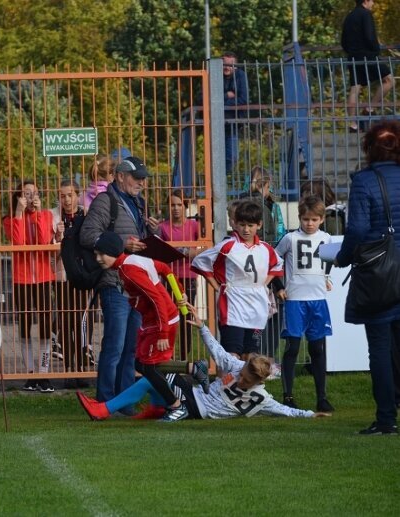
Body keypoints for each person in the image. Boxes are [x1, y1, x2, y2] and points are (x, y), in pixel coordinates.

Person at [76, 303, 332, 421]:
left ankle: (104, 410)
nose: (240, 378)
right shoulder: (236, 367)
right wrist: (202, 327)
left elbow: (286, 411)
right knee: (153, 376)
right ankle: (157, 407)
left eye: (245, 379)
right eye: (242, 373)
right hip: (195, 394)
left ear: (258, 382)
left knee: (151, 378)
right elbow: (219, 353)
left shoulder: (262, 399)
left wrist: (311, 414)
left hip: (197, 408)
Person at [92, 231, 210, 422]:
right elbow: (164, 268)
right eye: (95, 254)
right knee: (141, 363)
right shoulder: (131, 261)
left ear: (113, 251)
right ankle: (193, 369)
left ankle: (176, 406)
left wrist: (163, 332)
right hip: (154, 320)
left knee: (149, 367)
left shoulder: (128, 271)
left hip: (161, 322)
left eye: (101, 254)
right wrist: (179, 293)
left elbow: (156, 300)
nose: (97, 259)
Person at [79, 156, 160, 412]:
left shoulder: (138, 204)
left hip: (136, 284)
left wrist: (151, 234)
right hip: (114, 281)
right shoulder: (105, 201)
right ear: (121, 176)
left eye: (143, 179)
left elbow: (138, 239)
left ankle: (124, 401)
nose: (141, 184)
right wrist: (122, 244)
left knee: (130, 346)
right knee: (114, 344)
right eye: (137, 178)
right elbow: (88, 235)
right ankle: (105, 399)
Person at [335, 120, 400, 435]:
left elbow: (357, 229)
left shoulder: (364, 181)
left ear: (369, 148)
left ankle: (387, 418)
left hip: (380, 274)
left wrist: (343, 257)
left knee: (380, 348)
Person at [191, 200, 284, 359]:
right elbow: (200, 261)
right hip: (233, 305)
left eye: (250, 225)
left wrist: (263, 284)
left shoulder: (265, 248)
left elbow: (277, 266)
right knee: (232, 353)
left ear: (259, 225)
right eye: (242, 225)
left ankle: (245, 384)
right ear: (235, 224)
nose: (246, 229)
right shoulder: (228, 245)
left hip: (257, 308)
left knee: (250, 353)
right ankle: (227, 384)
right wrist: (217, 286)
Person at [275, 196, 334, 412]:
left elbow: (328, 261)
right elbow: (273, 260)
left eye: (314, 219)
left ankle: (322, 397)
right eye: (305, 219)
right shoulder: (290, 238)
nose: (309, 223)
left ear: (322, 219)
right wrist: (278, 286)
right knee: (292, 347)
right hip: (295, 301)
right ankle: (288, 396)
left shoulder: (327, 238)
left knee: (317, 348)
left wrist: (327, 278)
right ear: (299, 218)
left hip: (318, 300)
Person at [2, 179, 56, 393]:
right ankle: (30, 374)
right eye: (26, 193)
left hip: (43, 276)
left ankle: (44, 373)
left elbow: (43, 241)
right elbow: (18, 243)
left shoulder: (46, 216)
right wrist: (19, 213)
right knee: (24, 324)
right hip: (22, 278)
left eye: (34, 193)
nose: (31, 197)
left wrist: (39, 213)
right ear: (18, 196)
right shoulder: (10, 219)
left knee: (44, 324)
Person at [240, 167, 286, 360]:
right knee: (271, 314)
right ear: (267, 185)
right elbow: (279, 234)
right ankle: (267, 357)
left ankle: (251, 357)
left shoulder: (240, 203)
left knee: (253, 316)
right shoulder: (269, 206)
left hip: (247, 272)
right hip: (268, 266)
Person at [51, 179, 91, 386]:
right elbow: (49, 251)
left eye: (70, 195)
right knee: (66, 323)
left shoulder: (86, 216)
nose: (66, 199)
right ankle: (68, 370)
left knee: (82, 322)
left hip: (82, 275)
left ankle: (82, 369)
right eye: (62, 195)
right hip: (62, 276)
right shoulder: (53, 217)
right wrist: (57, 237)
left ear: (78, 195)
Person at [158, 189, 202, 359]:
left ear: (185, 207)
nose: (176, 208)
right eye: (172, 205)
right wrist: (186, 251)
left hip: (188, 277)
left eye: (179, 205)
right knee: (168, 315)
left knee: (186, 316)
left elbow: (203, 247)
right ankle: (166, 355)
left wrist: (183, 252)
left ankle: (185, 356)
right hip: (169, 277)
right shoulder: (163, 227)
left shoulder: (193, 226)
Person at [341, 0, 394, 133]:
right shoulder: (365, 14)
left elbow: (343, 41)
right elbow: (370, 36)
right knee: (389, 81)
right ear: (366, 1)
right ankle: (369, 108)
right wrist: (376, 50)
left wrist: (351, 51)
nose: (373, 3)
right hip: (368, 56)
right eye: (372, 1)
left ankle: (352, 125)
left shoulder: (350, 16)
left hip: (353, 57)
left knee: (355, 89)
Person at [223, 51, 249, 175]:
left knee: (232, 158)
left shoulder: (240, 76)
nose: (227, 67)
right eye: (224, 64)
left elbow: (244, 99)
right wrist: (226, 96)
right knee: (214, 157)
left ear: (236, 66)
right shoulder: (213, 75)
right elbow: (203, 98)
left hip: (233, 124)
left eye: (230, 65)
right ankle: (215, 184)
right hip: (215, 123)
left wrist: (222, 103)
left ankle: (224, 181)